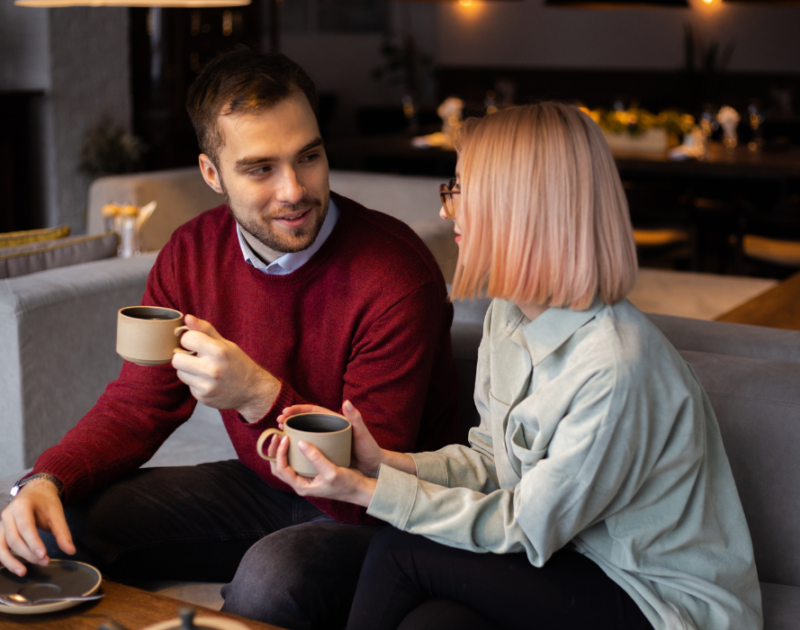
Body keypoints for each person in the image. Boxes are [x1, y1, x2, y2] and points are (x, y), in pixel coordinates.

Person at [0, 49, 461, 630]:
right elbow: (140, 404)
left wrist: (258, 395)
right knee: (63, 523)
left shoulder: (394, 271)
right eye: (260, 168)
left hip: (388, 513)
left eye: (308, 157)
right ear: (212, 173)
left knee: (271, 576)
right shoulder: (191, 253)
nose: (294, 189)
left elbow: (364, 491)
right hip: (262, 486)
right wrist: (43, 478)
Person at [266, 102, 763, 630]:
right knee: (435, 622)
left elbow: (527, 526)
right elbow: (494, 463)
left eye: (460, 190)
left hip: (659, 601)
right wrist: (382, 462)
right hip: (573, 561)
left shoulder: (614, 367)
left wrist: (367, 493)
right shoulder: (508, 314)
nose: (445, 211)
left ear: (521, 208)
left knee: (399, 551)